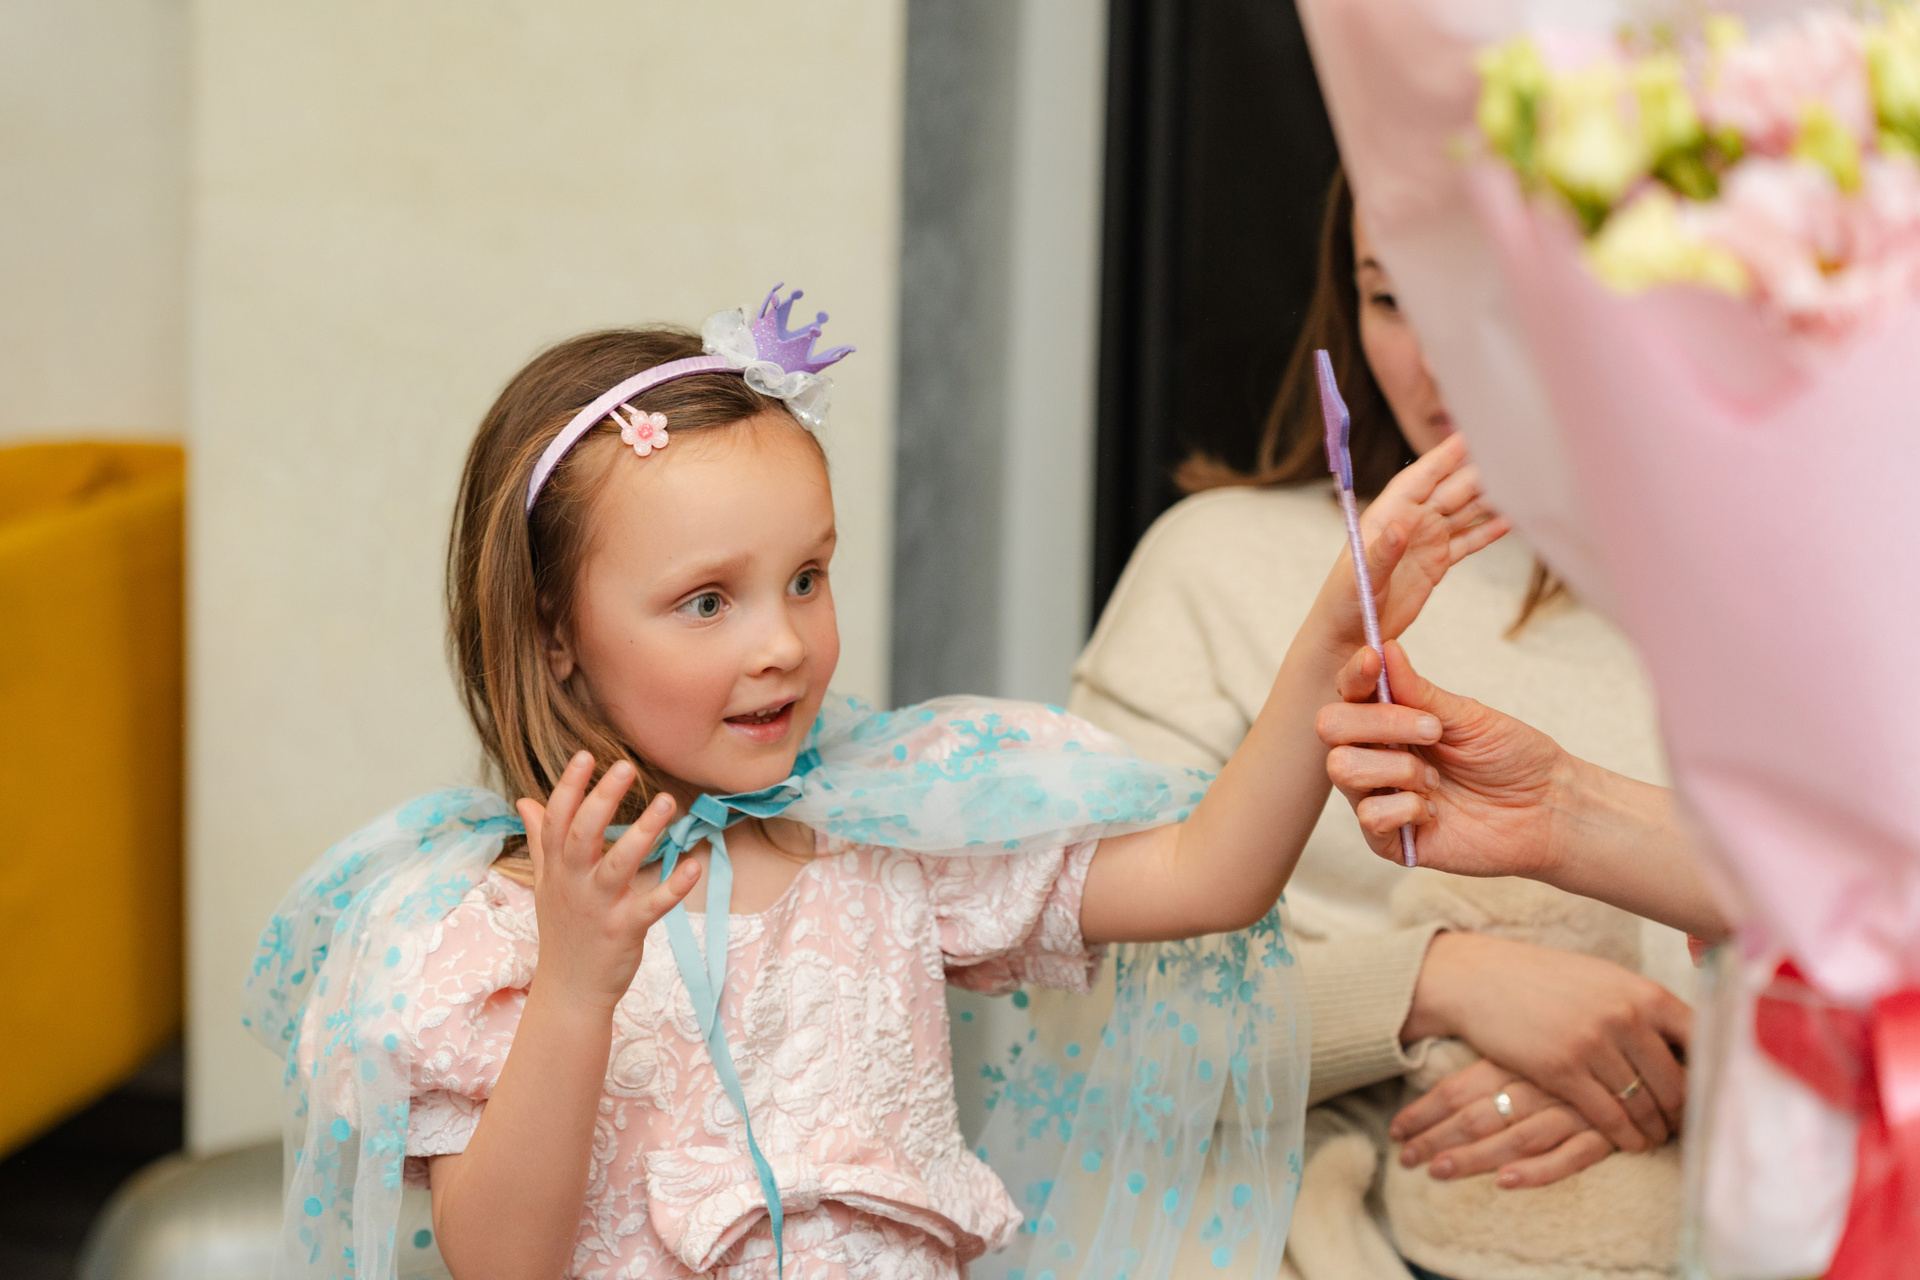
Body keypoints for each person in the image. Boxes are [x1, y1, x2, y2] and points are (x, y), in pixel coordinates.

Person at [241, 286, 1502, 1280]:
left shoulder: (885, 838)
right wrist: (576, 982)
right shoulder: (488, 931)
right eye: (707, 601)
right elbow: (498, 1261)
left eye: (807, 577)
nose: (782, 642)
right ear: (554, 630)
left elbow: (1207, 875)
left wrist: (1323, 649)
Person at [1057, 168, 1695, 1279]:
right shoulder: (1218, 568)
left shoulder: (1759, 621)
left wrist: (1665, 1072)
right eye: (1392, 298)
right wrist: (1436, 984)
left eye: (1491, 300)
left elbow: (1863, 974)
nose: (1436, 363)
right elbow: (1081, 1017)